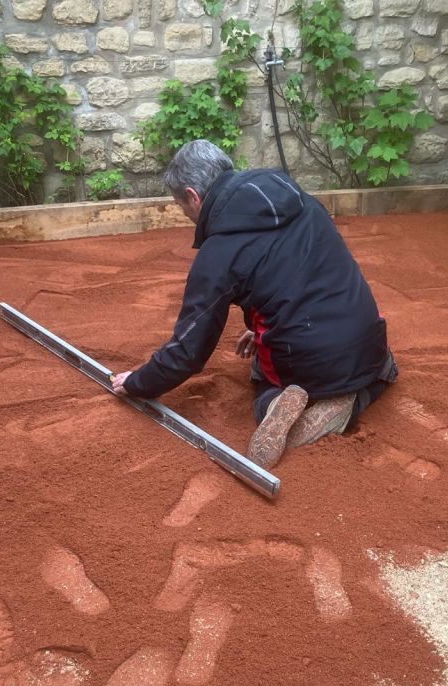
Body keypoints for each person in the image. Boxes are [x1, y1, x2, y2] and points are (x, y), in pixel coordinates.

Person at [111, 139, 397, 470]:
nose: (186, 214)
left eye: (181, 205)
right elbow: (304, 273)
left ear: (193, 196)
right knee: (382, 370)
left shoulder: (217, 255)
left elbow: (189, 350)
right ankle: (352, 398)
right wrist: (259, 323)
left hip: (306, 354)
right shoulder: (293, 194)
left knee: (263, 371)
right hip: (366, 332)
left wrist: (138, 382)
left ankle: (277, 402)